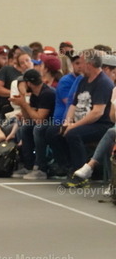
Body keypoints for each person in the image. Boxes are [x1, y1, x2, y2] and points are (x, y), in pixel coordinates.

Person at [60, 50, 115, 188]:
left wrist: (74, 126)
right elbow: (73, 104)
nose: (79, 66)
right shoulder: (83, 81)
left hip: (101, 124)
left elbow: (97, 113)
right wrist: (68, 122)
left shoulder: (103, 83)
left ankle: (81, 176)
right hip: (83, 122)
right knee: (52, 132)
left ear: (89, 64)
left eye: (81, 63)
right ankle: (68, 168)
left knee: (74, 134)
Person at [8, 69, 55, 178]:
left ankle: (41, 167)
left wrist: (24, 104)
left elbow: (39, 119)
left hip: (54, 122)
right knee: (25, 128)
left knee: (38, 129)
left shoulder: (47, 93)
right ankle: (28, 165)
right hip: (43, 122)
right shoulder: (34, 95)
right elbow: (28, 118)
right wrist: (22, 102)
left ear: (28, 83)